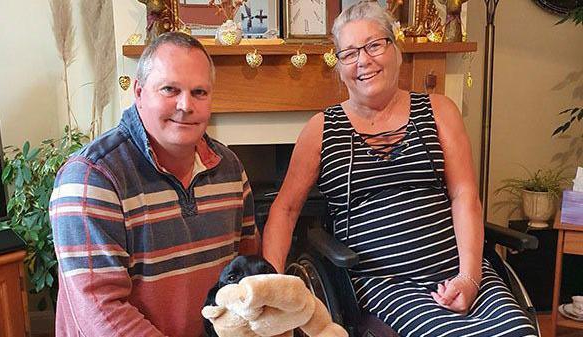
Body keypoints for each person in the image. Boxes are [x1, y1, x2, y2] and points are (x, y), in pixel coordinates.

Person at [262, 2, 538, 336]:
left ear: (396, 49)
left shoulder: (439, 111)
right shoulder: (321, 130)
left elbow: (464, 194)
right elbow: (286, 208)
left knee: (517, 330)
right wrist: (273, 287)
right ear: (339, 66)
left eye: (374, 45)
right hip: (384, 286)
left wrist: (468, 278)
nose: (363, 60)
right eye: (349, 53)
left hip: (456, 270)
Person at [50, 32, 259, 337]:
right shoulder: (91, 178)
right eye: (170, 89)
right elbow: (101, 314)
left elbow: (246, 272)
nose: (186, 105)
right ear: (139, 91)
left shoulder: (231, 170)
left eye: (199, 92)